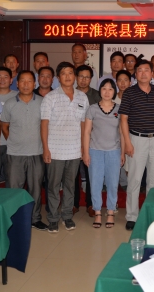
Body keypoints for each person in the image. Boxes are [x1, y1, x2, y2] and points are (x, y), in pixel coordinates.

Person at [119, 59, 154, 231]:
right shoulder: (129, 93)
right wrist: (127, 142)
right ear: (136, 74)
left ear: (152, 73)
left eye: (146, 70)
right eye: (139, 70)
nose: (143, 73)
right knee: (134, 179)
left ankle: (151, 215)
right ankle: (132, 216)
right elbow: (123, 119)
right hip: (136, 139)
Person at [41, 62, 89, 233]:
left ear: (74, 76)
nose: (67, 76)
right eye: (63, 73)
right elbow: (44, 124)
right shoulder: (50, 97)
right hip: (55, 150)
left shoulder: (82, 97)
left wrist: (83, 148)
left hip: (74, 150)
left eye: (70, 73)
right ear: (58, 77)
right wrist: (46, 148)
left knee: (70, 186)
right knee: (53, 186)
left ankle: (67, 216)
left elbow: (83, 125)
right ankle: (53, 218)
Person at [1, 70, 47, 231]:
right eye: (22, 81)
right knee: (14, 189)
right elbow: (4, 126)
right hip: (15, 154)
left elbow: (46, 126)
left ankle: (35, 218)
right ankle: (14, 219)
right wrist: (14, 141)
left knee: (36, 188)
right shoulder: (9, 104)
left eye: (29, 81)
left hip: (37, 152)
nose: (26, 84)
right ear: (17, 83)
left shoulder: (42, 102)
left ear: (34, 84)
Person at [82, 78, 124, 228]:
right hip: (95, 151)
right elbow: (87, 132)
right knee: (95, 183)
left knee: (113, 183)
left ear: (114, 92)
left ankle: (111, 211)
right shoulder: (92, 109)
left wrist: (122, 153)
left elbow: (122, 132)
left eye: (110, 89)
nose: (107, 92)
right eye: (104, 88)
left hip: (114, 151)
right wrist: (85, 153)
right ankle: (98, 212)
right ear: (100, 90)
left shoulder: (120, 109)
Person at [75, 64, 100, 217]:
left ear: (91, 79)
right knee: (73, 174)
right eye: (81, 76)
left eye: (87, 77)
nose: (83, 80)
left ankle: (91, 204)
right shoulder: (71, 94)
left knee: (92, 174)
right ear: (76, 78)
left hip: (92, 140)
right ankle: (74, 204)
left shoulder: (97, 96)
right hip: (72, 139)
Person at [0, 66, 18, 187]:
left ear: (11, 80)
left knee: (12, 178)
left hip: (12, 144)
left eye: (6, 77)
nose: (2, 80)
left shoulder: (18, 96)